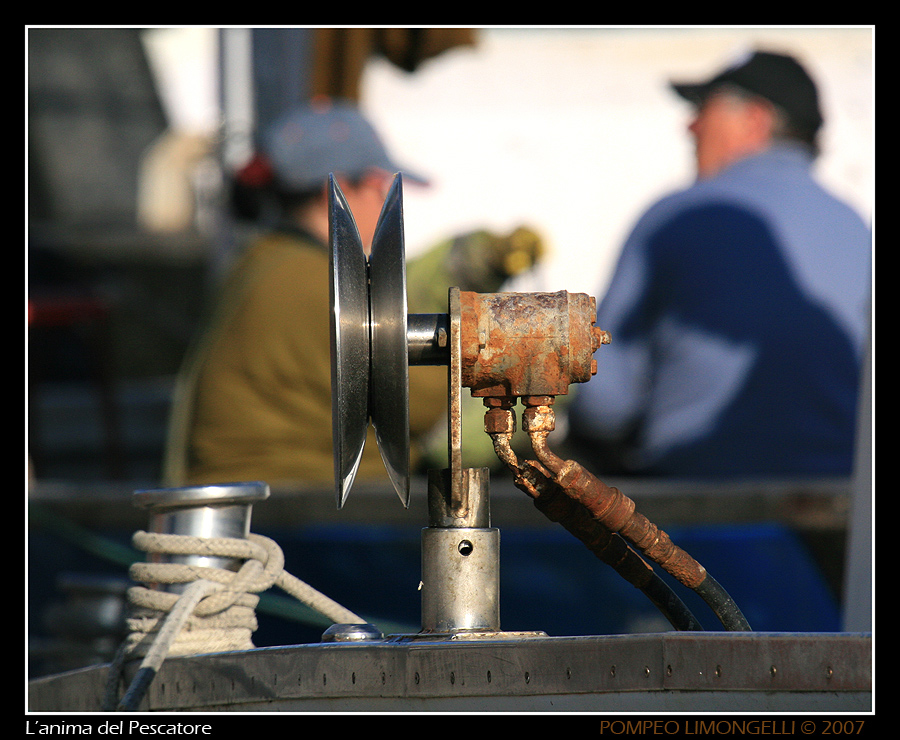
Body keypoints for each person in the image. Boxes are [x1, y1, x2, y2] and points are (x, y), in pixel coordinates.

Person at [163, 98, 543, 487]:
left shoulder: (267, 260)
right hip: (293, 513)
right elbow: (421, 399)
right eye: (380, 186)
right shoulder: (319, 285)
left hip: (269, 499)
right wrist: (530, 357)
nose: (387, 205)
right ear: (338, 192)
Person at [566, 50, 871, 479]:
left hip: (697, 517)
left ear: (756, 120)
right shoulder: (856, 229)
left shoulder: (677, 216)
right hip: (838, 517)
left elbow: (603, 407)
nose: (689, 126)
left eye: (703, 109)